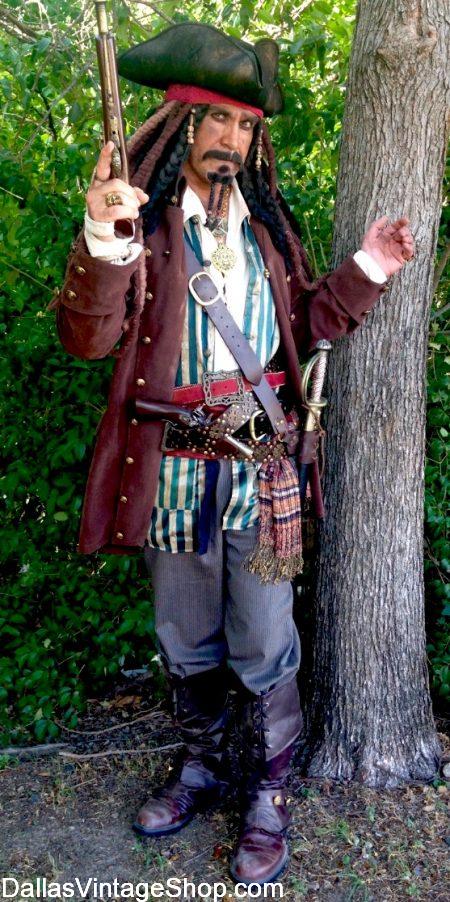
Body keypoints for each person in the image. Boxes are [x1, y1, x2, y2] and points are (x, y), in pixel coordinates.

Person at [52, 23, 415, 886]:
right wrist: (103, 237)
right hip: (171, 467)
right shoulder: (142, 230)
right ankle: (202, 769)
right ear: (182, 127)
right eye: (217, 119)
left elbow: (306, 326)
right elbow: (87, 338)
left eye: (246, 125)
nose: (233, 138)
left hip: (260, 461)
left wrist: (367, 267)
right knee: (185, 635)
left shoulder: (267, 237)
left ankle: (268, 796)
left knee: (264, 638)